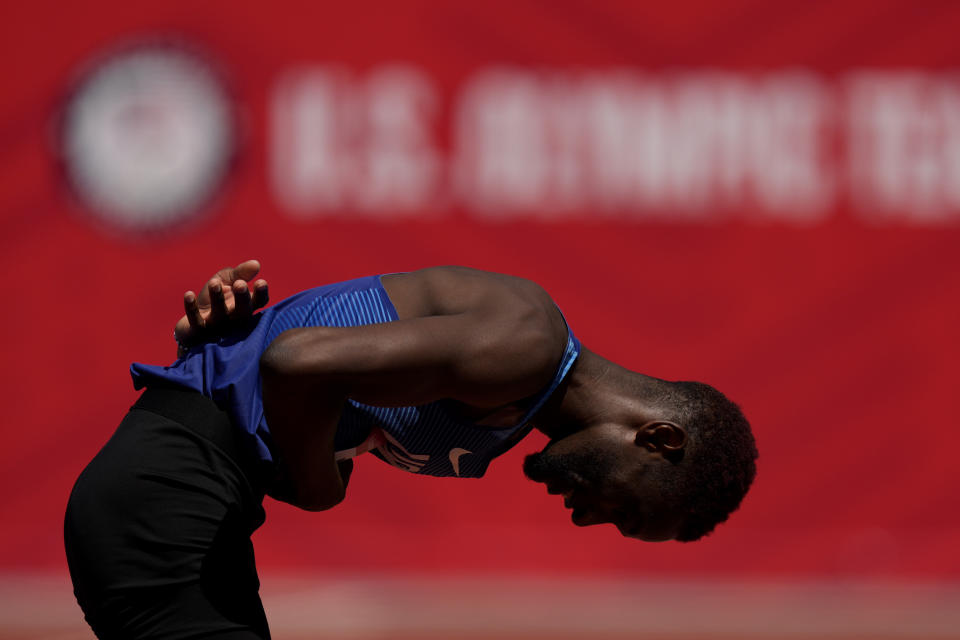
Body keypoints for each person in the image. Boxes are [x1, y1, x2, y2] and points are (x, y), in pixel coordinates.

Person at [65, 261, 758, 640]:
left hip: (190, 499)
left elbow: (277, 355)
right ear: (659, 439)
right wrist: (318, 490)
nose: (589, 519)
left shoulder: (523, 388)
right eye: (625, 512)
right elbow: (297, 361)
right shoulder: (526, 345)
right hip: (167, 496)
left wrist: (212, 350)